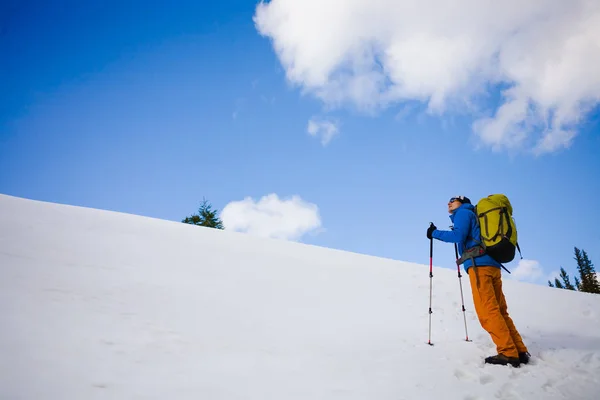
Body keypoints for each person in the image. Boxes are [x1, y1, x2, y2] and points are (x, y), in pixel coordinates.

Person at [426, 195, 531, 368]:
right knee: (500, 310)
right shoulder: (473, 214)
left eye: (453, 199)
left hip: (479, 266)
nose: (449, 202)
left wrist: (434, 233)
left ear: (463, 202)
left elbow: (457, 236)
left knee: (487, 311)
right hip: (492, 265)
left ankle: (508, 353)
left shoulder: (463, 212)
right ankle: (519, 350)